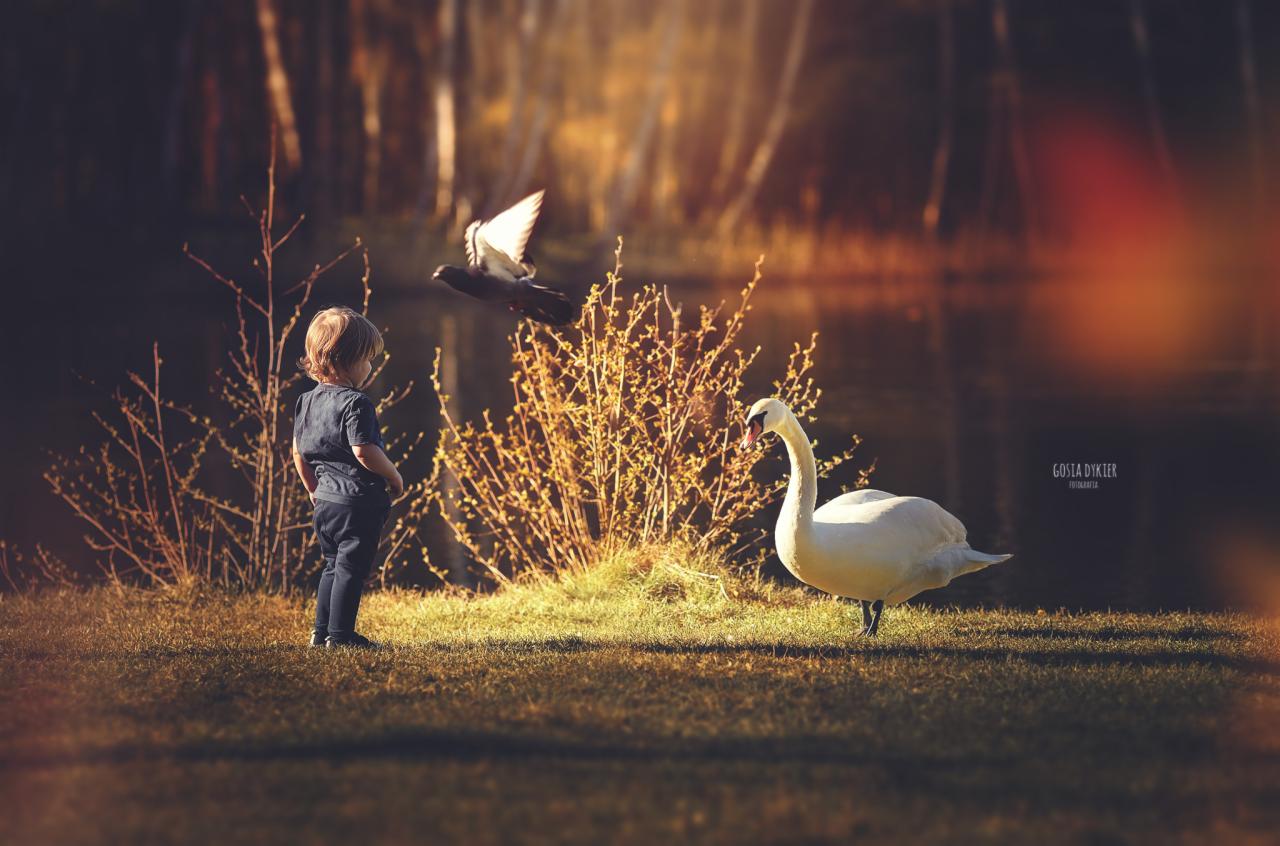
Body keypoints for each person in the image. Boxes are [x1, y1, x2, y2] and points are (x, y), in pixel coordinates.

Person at [292, 306, 404, 649]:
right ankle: (340, 637)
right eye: (368, 359)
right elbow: (363, 451)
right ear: (349, 360)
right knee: (351, 570)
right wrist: (395, 476)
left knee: (331, 565)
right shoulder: (356, 403)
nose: (371, 366)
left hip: (324, 502)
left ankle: (320, 632)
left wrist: (312, 488)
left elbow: (298, 453)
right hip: (357, 503)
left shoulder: (306, 401)